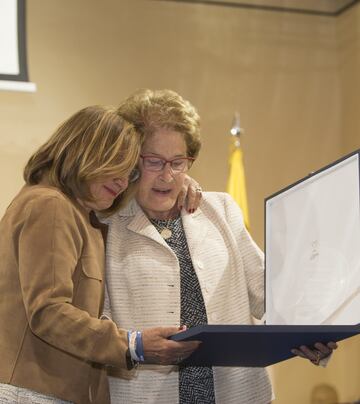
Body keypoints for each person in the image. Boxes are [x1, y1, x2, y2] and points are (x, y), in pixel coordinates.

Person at [104, 89, 337, 404]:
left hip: (237, 393)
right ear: (131, 159)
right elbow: (98, 326)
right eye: (154, 161)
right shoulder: (108, 227)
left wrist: (312, 332)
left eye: (178, 162)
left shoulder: (221, 210)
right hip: (145, 396)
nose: (167, 175)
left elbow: (271, 293)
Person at [0, 105, 200, 404]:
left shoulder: (82, 216)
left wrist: (178, 181)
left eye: (131, 172)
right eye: (116, 165)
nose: (123, 182)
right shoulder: (51, 205)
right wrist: (133, 345)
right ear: (87, 152)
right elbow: (48, 312)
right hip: (30, 390)